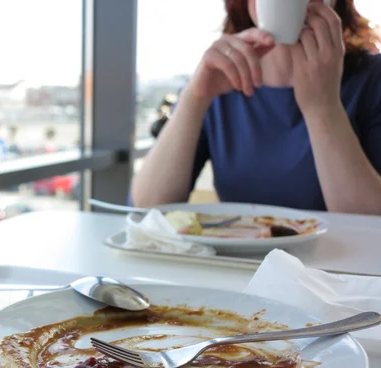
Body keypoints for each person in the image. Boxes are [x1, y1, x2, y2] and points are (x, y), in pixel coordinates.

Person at [132, 0, 381, 214]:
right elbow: (147, 209)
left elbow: (371, 230)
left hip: (335, 269)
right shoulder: (220, 81)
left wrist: (322, 107)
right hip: (237, 266)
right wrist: (193, 99)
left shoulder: (372, 79)